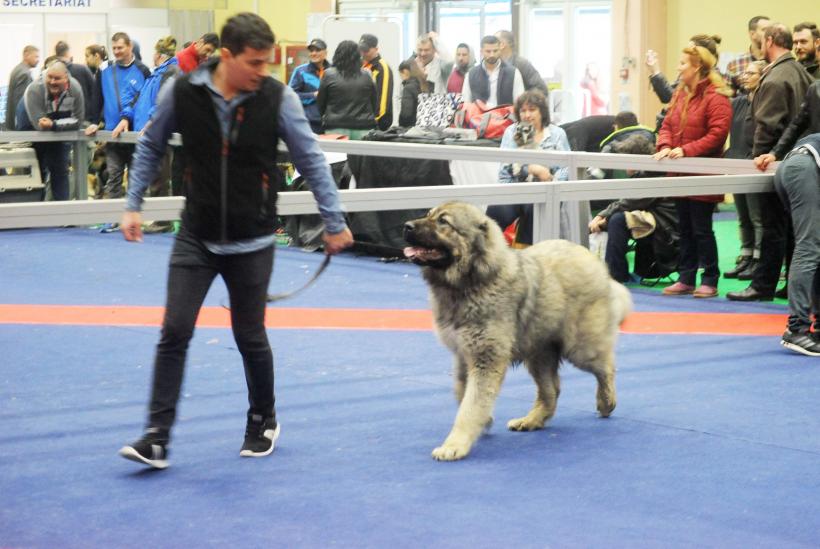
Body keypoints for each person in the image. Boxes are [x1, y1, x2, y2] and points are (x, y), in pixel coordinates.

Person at [117, 12, 354, 469]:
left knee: (249, 335)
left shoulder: (278, 98)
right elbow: (151, 145)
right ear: (226, 56)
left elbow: (311, 159)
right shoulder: (180, 91)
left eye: (268, 62)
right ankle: (157, 436)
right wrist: (133, 203)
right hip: (196, 236)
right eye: (255, 62)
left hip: (253, 239)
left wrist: (333, 220)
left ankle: (262, 419)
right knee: (174, 331)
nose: (263, 71)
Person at [728, 23, 814, 302]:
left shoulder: (777, 77)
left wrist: (761, 156)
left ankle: (762, 285)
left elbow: (769, 124)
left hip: (773, 163)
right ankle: (787, 285)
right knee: (790, 228)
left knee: (772, 226)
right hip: (798, 160)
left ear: (770, 41)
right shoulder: (801, 72)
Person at [655, 45, 732, 299]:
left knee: (701, 229)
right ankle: (686, 277)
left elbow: (717, 135)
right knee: (684, 228)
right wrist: (665, 146)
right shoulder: (679, 94)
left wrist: (686, 150)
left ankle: (710, 277)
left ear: (697, 67)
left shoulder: (716, 97)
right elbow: (666, 124)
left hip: (703, 176)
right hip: (679, 174)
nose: (678, 68)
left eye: (682, 63)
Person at [588, 133, 678, 284]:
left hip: (667, 230)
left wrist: (601, 217)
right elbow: (628, 202)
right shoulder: (648, 172)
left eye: (627, 159)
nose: (625, 165)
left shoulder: (652, 175)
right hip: (657, 223)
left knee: (617, 220)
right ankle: (617, 274)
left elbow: (628, 203)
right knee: (617, 218)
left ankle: (616, 276)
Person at [486, 90, 570, 245]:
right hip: (514, 189)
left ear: (542, 111)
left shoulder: (557, 133)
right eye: (523, 110)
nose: (526, 115)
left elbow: (566, 168)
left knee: (535, 208)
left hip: (548, 191)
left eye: (532, 110)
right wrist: (532, 169)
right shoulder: (514, 130)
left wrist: (551, 179)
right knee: (494, 213)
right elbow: (506, 167)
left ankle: (527, 254)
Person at [85, 32, 151, 203]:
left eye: (120, 47)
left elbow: (144, 100)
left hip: (135, 134)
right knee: (113, 175)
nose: (117, 51)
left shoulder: (143, 70)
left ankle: (134, 216)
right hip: (113, 134)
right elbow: (96, 97)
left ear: (130, 46)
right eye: (114, 48)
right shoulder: (104, 69)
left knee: (136, 177)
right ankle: (112, 217)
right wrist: (93, 122)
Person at [770, 134, 820, 356]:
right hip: (805, 170)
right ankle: (796, 329)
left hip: (792, 165)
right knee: (809, 247)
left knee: (813, 246)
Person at [723, 60, 767, 280]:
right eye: (745, 73)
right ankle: (746, 257)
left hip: (755, 167)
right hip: (736, 165)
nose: (745, 76)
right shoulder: (737, 103)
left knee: (757, 217)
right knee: (743, 217)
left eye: (751, 73)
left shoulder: (766, 102)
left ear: (763, 76)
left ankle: (759, 262)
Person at [18, 61, 85, 201]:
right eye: (50, 77)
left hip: (56, 125)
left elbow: (78, 121)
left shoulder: (75, 89)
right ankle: (32, 213)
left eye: (57, 78)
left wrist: (54, 125)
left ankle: (63, 215)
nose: (53, 81)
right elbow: (39, 125)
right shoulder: (34, 89)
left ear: (66, 78)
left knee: (60, 169)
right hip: (28, 123)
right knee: (34, 170)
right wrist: (58, 125)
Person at [316, 40, 377, 139]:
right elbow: (374, 103)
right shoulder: (367, 74)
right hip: (364, 127)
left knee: (337, 155)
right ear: (358, 56)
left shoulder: (328, 74)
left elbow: (320, 103)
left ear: (337, 55)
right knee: (361, 155)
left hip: (336, 128)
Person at [460, 35, 524, 108]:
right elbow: (466, 103)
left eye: (495, 51)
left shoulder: (514, 73)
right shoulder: (471, 74)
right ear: (481, 51)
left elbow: (519, 103)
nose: (492, 55)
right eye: (488, 51)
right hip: (478, 118)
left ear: (500, 50)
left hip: (505, 117)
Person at [288, 38, 329, 134]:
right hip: (309, 124)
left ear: (325, 52)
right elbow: (291, 96)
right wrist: (313, 95)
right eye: (311, 50)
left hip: (331, 124)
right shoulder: (300, 71)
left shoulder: (334, 71)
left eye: (318, 50)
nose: (313, 53)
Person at [494, 30, 548, 96]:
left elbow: (541, 89)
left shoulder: (522, 64)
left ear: (502, 45)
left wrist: (522, 99)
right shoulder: (494, 65)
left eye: (493, 41)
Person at [726, 15, 770, 93]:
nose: (770, 34)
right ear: (752, 34)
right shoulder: (735, 64)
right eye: (765, 30)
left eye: (772, 30)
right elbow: (728, 96)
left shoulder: (776, 61)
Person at [359, 33, 394, 131]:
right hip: (361, 121)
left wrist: (376, 120)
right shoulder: (359, 66)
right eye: (361, 49)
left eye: (366, 50)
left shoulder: (382, 68)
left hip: (376, 124)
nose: (363, 53)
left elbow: (384, 98)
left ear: (376, 49)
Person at [54, 40, 95, 120]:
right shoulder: (82, 69)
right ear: (68, 53)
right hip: (84, 119)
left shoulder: (49, 74)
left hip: (58, 122)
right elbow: (95, 93)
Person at [4, 45, 39, 131]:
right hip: (20, 125)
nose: (38, 60)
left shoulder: (18, 69)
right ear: (26, 55)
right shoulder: (24, 74)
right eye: (36, 56)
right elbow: (21, 102)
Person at [397, 59, 431, 127]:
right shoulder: (425, 85)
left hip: (410, 128)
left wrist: (401, 125)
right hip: (424, 126)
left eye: (400, 74)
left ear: (405, 71)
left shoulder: (408, 88)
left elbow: (406, 113)